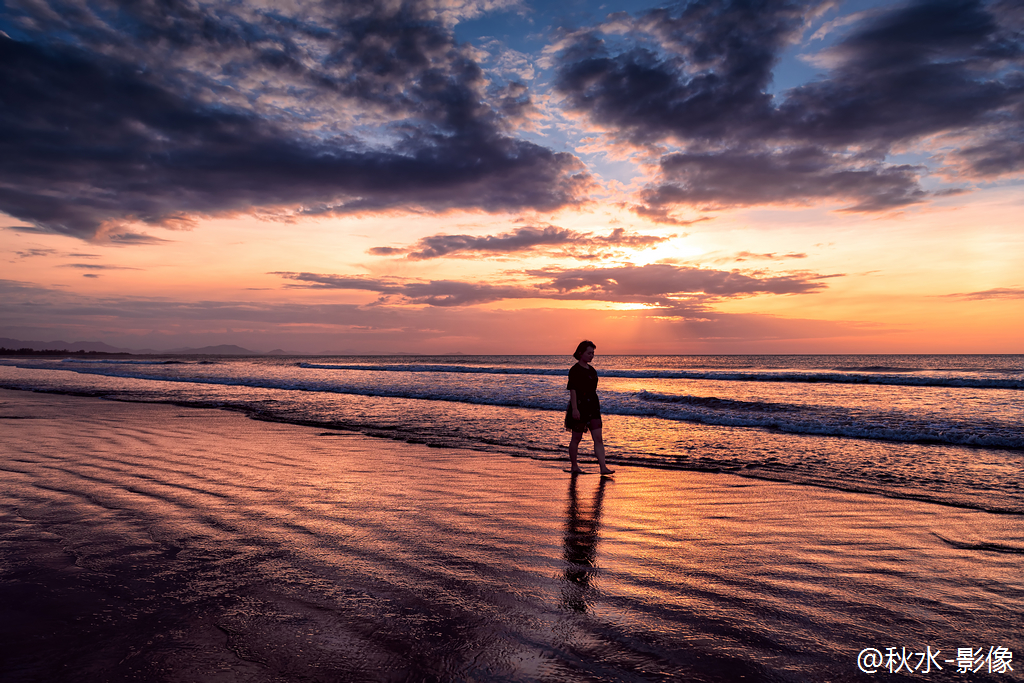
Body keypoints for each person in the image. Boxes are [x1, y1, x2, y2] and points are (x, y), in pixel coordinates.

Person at [565, 340, 614, 475]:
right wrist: (575, 409)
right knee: (576, 438)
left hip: (592, 406)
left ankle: (603, 467)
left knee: (598, 437)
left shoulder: (592, 370)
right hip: (580, 406)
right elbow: (573, 390)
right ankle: (574, 466)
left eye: (593, 353)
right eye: (589, 353)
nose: (592, 356)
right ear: (581, 353)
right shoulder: (575, 370)